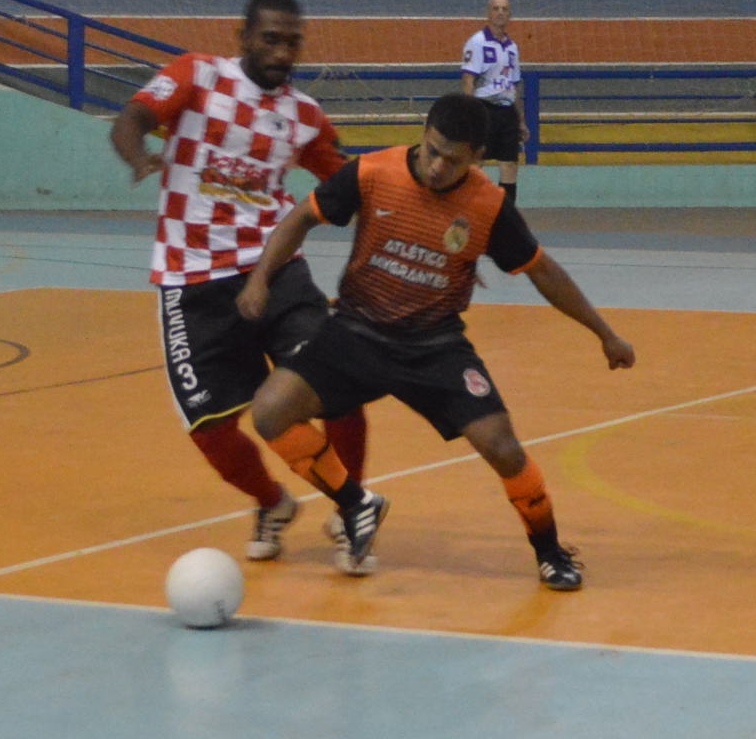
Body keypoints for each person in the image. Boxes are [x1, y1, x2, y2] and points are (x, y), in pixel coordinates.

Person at [234, 93, 635, 591]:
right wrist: (258, 280)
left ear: (477, 157)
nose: (438, 165)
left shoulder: (488, 205)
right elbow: (300, 218)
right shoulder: (373, 172)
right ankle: (356, 503)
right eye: (432, 150)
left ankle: (550, 552)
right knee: (270, 411)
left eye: (453, 158)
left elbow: (543, 271)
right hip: (357, 331)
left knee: (503, 448)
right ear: (423, 134)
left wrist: (605, 333)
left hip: (434, 345)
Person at [110, 0, 372, 567]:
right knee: (209, 426)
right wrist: (139, 157)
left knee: (338, 386)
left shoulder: (304, 117)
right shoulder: (198, 77)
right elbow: (131, 119)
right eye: (270, 38)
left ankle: (353, 509)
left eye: (292, 41)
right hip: (191, 276)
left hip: (275, 268)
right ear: (243, 36)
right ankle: (273, 502)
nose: (282, 51)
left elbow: (353, 185)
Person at [460, 0, 525, 209]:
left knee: (510, 165)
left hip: (506, 112)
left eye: (505, 9)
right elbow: (469, 79)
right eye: (496, 8)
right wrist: (470, 115)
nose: (500, 12)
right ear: (488, 13)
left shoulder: (512, 47)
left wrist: (521, 121)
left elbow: (515, 85)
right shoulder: (477, 42)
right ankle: (471, 211)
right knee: (477, 163)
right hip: (483, 109)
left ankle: (505, 216)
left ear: (510, 15)